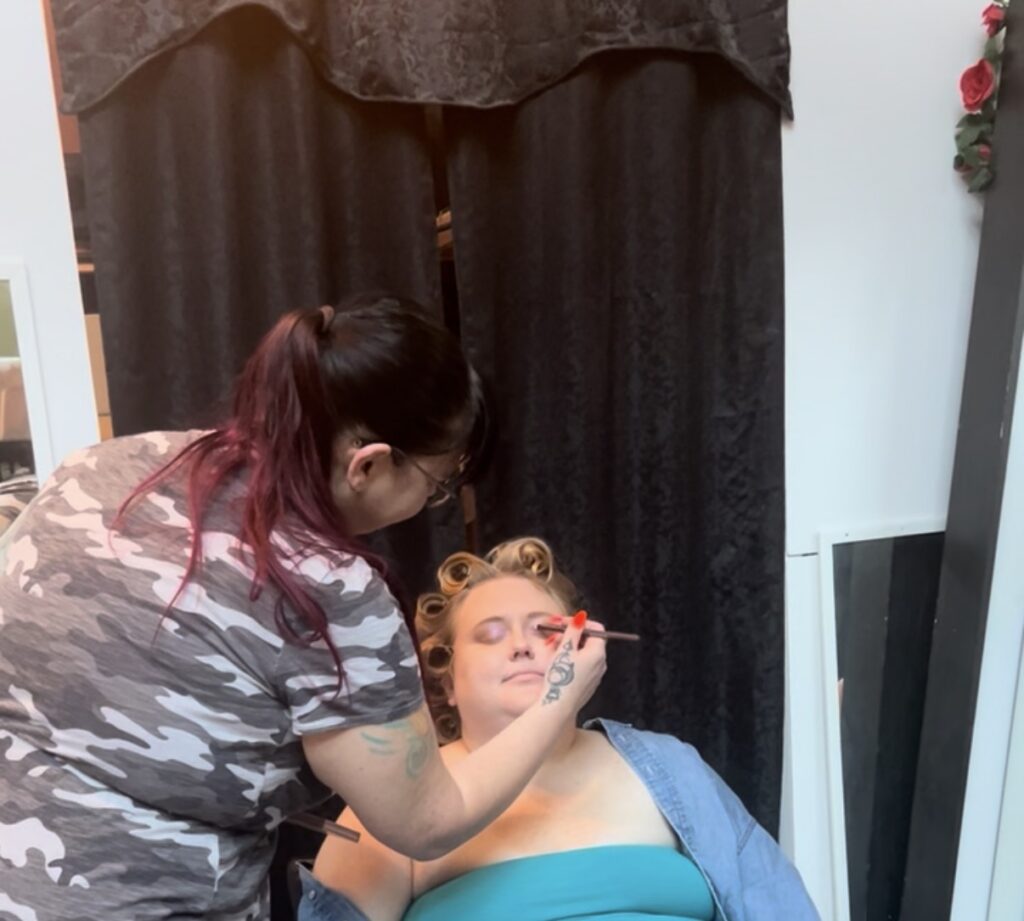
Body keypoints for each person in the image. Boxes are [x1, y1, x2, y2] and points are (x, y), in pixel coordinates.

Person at [0, 296, 606, 920]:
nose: (435, 501)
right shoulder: (331, 593)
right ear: (368, 465)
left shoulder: (100, 469)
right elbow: (426, 822)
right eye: (438, 486)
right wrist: (562, 690)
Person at [303, 538, 820, 921]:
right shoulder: (395, 802)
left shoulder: (671, 768)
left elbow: (776, 903)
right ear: (447, 681)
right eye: (490, 635)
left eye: (545, 629)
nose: (523, 646)